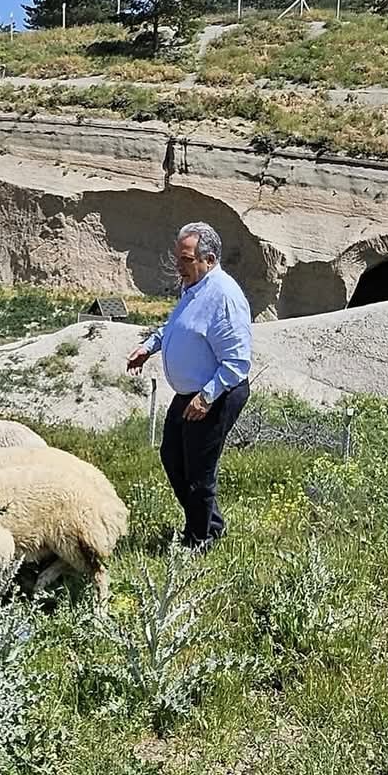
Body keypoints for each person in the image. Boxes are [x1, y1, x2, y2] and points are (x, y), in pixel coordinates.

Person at [126, 222, 252, 549]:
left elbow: (238, 362)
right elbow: (176, 326)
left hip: (217, 391)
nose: (178, 265)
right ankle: (210, 524)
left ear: (208, 259)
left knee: (198, 471)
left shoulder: (223, 296)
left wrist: (207, 397)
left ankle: (198, 542)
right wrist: (149, 346)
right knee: (172, 456)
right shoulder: (193, 287)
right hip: (191, 393)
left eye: (184, 259)